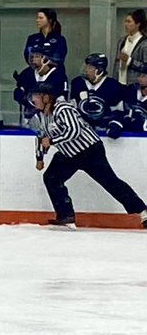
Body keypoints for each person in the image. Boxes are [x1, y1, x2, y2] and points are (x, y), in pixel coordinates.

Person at [29, 83, 147, 229]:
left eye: (36, 96)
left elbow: (74, 130)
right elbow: (41, 138)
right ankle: (66, 216)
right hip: (69, 153)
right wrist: (39, 158)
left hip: (90, 151)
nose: (33, 99)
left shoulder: (63, 108)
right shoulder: (41, 116)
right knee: (51, 178)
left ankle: (143, 211)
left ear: (46, 97)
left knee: (111, 182)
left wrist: (52, 141)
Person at [70, 53, 126, 138]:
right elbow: (72, 108)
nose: (86, 70)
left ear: (99, 70)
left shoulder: (114, 86)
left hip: (103, 131)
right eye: (86, 66)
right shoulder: (78, 84)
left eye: (90, 67)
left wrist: (115, 124)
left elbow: (119, 112)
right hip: (81, 132)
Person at [13, 38, 66, 124]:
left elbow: (60, 99)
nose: (33, 59)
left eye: (37, 56)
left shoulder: (58, 76)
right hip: (29, 118)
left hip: (52, 120)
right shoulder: (27, 73)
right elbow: (20, 94)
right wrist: (20, 95)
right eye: (32, 56)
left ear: (45, 59)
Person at [115, 8, 147, 85]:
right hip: (120, 83)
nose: (126, 24)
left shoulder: (144, 43)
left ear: (138, 24)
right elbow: (116, 63)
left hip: (135, 85)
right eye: (125, 21)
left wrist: (129, 61)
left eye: (129, 22)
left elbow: (145, 67)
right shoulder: (122, 41)